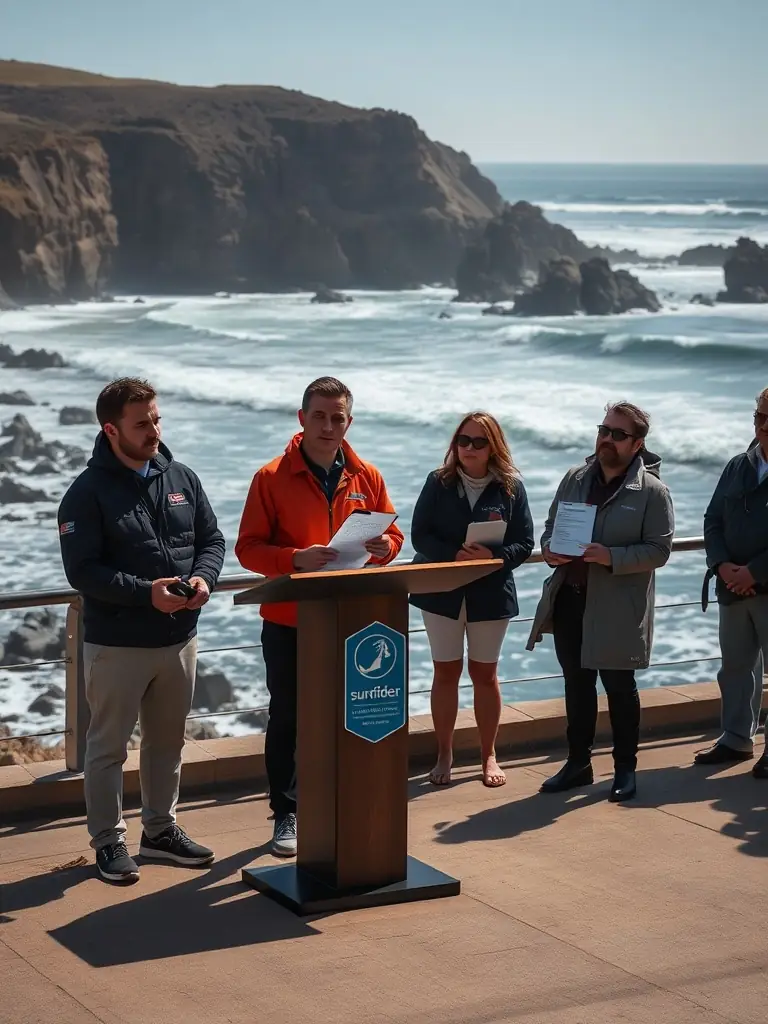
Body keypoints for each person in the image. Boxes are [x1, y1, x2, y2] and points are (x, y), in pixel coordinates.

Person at [57, 378, 225, 884]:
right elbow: (83, 572)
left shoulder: (182, 477)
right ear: (111, 430)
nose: (154, 431)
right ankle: (108, 842)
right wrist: (144, 592)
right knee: (107, 748)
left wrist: (204, 578)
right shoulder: (85, 494)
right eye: (141, 424)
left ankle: (160, 831)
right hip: (117, 644)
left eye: (156, 419)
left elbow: (212, 540)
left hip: (180, 639)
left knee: (167, 743)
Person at [235, 376, 404, 857]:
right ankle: (285, 813)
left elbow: (394, 536)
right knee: (288, 717)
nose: (329, 426)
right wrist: (294, 558)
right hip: (289, 619)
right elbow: (247, 548)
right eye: (320, 416)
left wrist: (384, 549)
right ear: (302, 418)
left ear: (349, 422)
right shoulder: (270, 477)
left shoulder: (367, 475)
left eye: (338, 417)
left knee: (346, 715)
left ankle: (340, 803)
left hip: (352, 619)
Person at [527, 402, 674, 802]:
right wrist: (549, 549)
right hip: (571, 599)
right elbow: (551, 527)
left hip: (617, 607)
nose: (607, 439)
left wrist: (611, 557)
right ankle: (578, 764)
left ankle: (625, 769)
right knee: (576, 686)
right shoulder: (575, 477)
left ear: (637, 444)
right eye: (604, 430)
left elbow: (659, 550)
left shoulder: (652, 492)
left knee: (620, 688)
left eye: (618, 434)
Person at [409, 412, 534, 788]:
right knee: (445, 672)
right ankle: (444, 753)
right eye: (463, 440)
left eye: (479, 442)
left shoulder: (510, 487)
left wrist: (493, 557)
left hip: (490, 593)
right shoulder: (438, 481)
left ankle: (488, 754)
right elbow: (419, 535)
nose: (469, 448)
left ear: (493, 447)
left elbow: (525, 542)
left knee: (485, 675)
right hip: (441, 592)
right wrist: (453, 555)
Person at [698, 388, 768, 773]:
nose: (764, 425)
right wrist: (722, 565)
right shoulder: (738, 466)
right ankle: (737, 739)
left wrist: (754, 572)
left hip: (762, 585)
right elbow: (712, 520)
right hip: (732, 587)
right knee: (736, 668)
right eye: (760, 416)